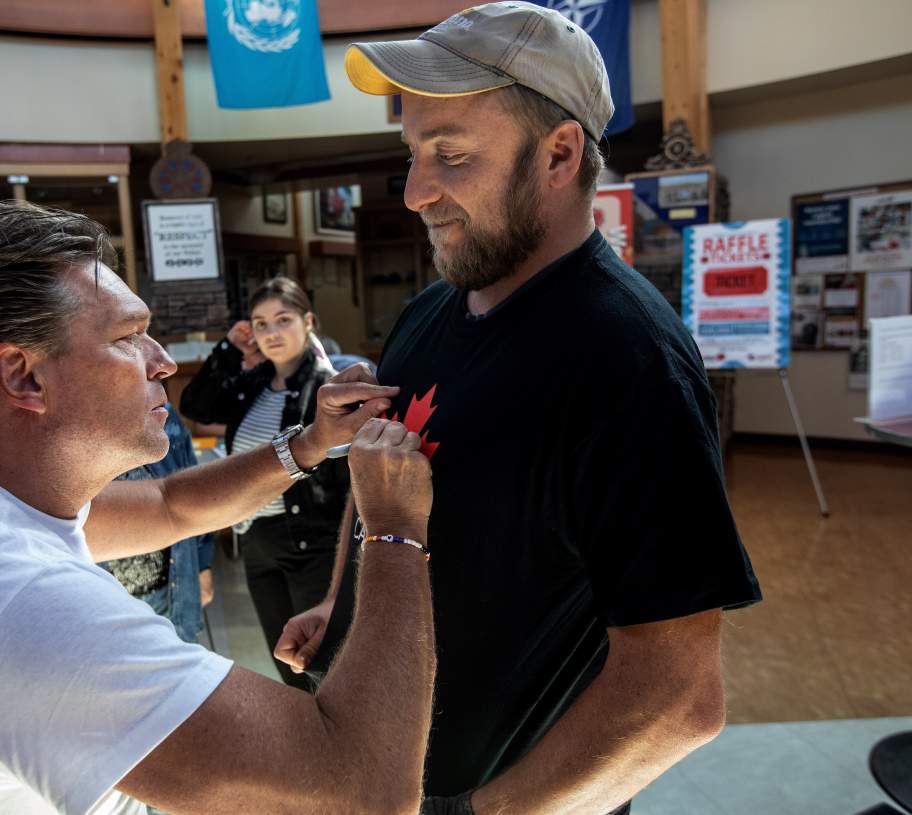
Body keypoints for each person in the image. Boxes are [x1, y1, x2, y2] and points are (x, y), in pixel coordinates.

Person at [277, 5, 763, 814]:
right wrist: (344, 605)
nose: (415, 192)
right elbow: (378, 478)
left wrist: (484, 812)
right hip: (380, 766)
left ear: (558, 154)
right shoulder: (427, 314)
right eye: (412, 154)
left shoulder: (627, 359)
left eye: (451, 154)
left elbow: (678, 696)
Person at [0, 200, 437, 815]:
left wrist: (310, 443)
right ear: (22, 376)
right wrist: (392, 528)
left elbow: (169, 505)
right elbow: (365, 791)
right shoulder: (23, 607)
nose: (163, 362)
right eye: (129, 336)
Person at [180, 277, 348, 688]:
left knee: (320, 663)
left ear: (308, 321)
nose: (272, 332)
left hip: (312, 543)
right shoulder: (253, 384)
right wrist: (228, 349)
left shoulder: (326, 385)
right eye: (260, 324)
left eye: (283, 320)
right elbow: (196, 405)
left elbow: (345, 479)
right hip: (257, 540)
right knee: (286, 662)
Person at [101, 404, 214, 644]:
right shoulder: (74, 419)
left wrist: (203, 565)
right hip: (104, 599)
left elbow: (193, 494)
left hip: (171, 589)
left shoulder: (162, 414)